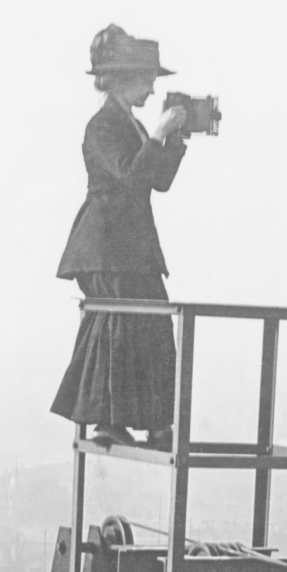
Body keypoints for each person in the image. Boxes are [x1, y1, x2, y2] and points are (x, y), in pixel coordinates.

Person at [49, 24, 189, 447]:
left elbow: (157, 181)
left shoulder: (130, 124)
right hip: (107, 248)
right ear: (124, 78)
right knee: (122, 328)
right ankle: (110, 420)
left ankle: (154, 424)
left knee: (152, 326)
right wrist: (159, 135)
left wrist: (173, 141)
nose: (151, 88)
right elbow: (130, 177)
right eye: (146, 79)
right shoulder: (103, 127)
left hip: (128, 248)